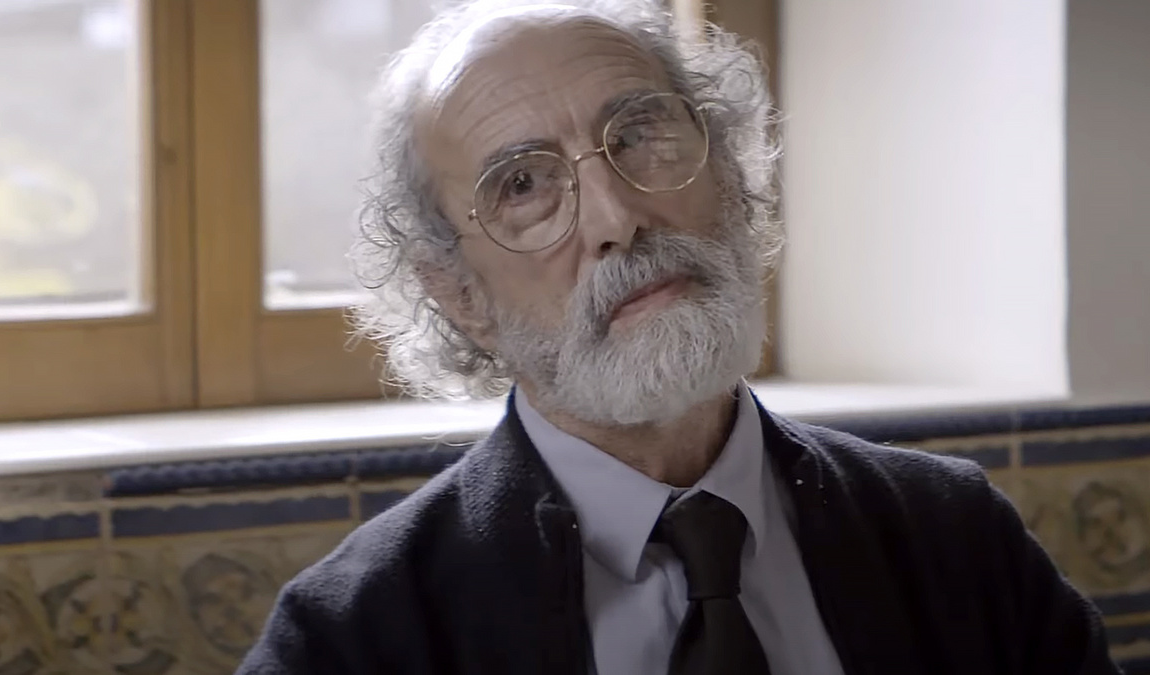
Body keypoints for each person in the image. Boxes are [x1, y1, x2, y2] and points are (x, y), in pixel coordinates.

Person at [237, 0, 1120, 673]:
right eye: (524, 186)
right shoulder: (353, 636)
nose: (617, 217)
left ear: (729, 172)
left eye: (639, 134)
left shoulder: (955, 535)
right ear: (458, 293)